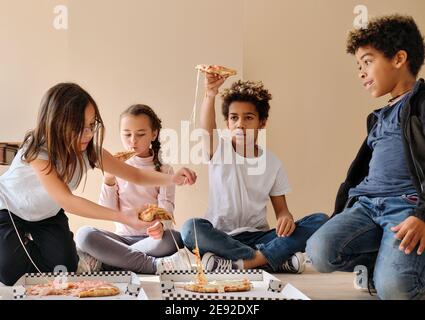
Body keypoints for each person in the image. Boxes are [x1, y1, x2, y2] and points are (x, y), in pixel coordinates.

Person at [0, 83, 196, 285]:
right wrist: (123, 217)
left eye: (91, 125)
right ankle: (13, 248)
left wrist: (172, 178)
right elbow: (67, 200)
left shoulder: (89, 152)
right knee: (10, 274)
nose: (88, 134)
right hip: (9, 209)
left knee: (65, 266)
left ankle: (26, 250)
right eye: (79, 127)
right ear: (57, 122)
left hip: (46, 214)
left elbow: (135, 175)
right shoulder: (37, 150)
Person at [306, 15, 425, 300]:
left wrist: (422, 215)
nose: (361, 72)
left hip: (407, 209)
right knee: (318, 250)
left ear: (399, 58)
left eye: (368, 61)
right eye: (358, 66)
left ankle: (407, 270)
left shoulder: (421, 103)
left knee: (394, 291)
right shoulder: (378, 118)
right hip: (367, 205)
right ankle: (381, 262)